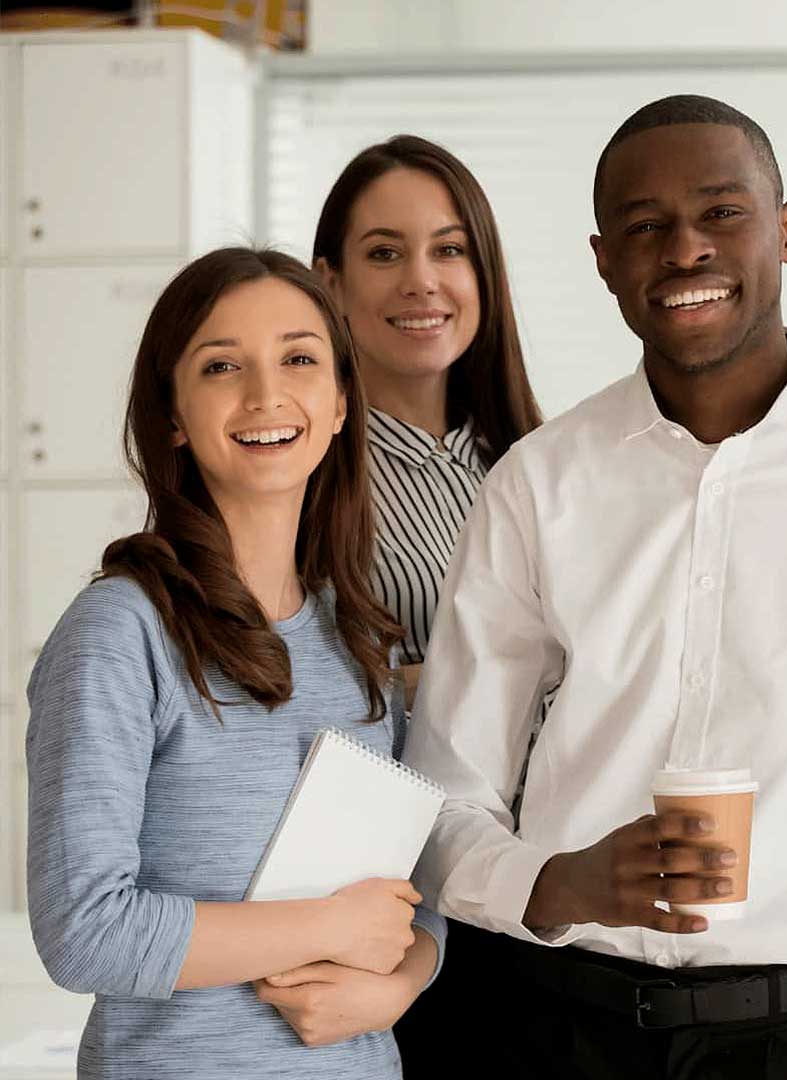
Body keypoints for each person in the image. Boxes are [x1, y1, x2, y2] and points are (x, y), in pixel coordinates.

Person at [402, 95, 787, 1080]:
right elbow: (443, 798)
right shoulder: (538, 482)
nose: (684, 247)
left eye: (720, 212)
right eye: (645, 226)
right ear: (604, 259)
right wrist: (555, 883)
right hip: (562, 1032)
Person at [26, 247, 447, 1079]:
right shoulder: (121, 631)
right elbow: (85, 933)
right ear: (174, 413)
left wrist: (403, 980)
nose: (265, 395)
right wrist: (327, 928)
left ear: (337, 405)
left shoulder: (364, 638)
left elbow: (416, 889)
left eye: (298, 358)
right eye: (222, 366)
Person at [309, 132, 543, 1071]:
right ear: (329, 282)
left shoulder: (529, 463)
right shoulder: (308, 467)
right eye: (383, 253)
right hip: (387, 911)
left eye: (449, 250)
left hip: (533, 901)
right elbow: (290, 686)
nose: (422, 280)